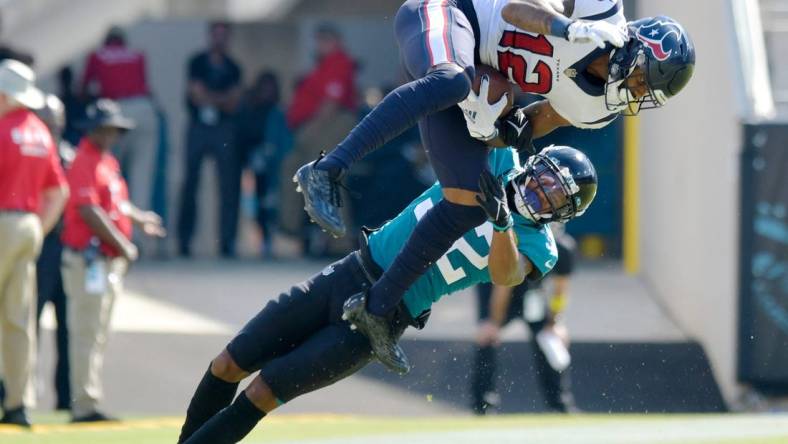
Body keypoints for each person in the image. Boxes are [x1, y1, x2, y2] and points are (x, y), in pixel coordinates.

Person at [295, 0, 696, 375]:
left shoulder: (597, 109)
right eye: (643, 80)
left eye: (646, 93)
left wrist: (492, 127)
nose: (636, 92)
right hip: (450, 14)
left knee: (468, 202)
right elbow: (513, 9)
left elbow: (521, 128)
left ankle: (378, 308)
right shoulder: (601, 12)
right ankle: (327, 169)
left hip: (475, 75)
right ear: (636, 49)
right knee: (450, 79)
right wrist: (566, 28)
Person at [177, 146, 597, 444]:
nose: (541, 193)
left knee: (263, 392)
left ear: (562, 212)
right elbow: (475, 121)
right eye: (545, 181)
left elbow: (505, 276)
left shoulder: (540, 245)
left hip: (385, 313)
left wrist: (503, 225)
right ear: (534, 167)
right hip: (350, 272)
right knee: (228, 362)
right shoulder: (502, 161)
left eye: (555, 197)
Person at [60, 99, 166, 422]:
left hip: (105, 262)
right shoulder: (85, 161)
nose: (112, 135)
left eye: (115, 130)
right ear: (93, 129)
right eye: (107, 129)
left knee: (98, 333)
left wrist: (139, 219)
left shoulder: (106, 161)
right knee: (86, 333)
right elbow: (88, 209)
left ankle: (89, 399)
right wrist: (123, 244)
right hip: (88, 259)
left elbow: (115, 204)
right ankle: (84, 405)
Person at [0, 60, 69, 427]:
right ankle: (17, 403)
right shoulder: (41, 133)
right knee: (18, 318)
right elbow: (59, 191)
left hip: (2, 221)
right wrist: (37, 228)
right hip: (28, 226)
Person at [471, 222, 577, 414]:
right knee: (487, 337)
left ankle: (560, 404)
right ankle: (483, 404)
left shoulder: (563, 248)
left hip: (532, 294)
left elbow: (561, 290)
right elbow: (504, 285)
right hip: (498, 286)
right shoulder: (523, 242)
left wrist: (555, 322)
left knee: (551, 340)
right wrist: (494, 322)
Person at [279, 23, 358, 254]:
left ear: (336, 41)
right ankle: (290, 232)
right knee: (292, 171)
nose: (320, 45)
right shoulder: (321, 66)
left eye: (325, 40)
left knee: (328, 177)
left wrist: (309, 132)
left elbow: (331, 104)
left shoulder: (339, 62)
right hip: (312, 128)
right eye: (319, 40)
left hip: (327, 125)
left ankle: (339, 241)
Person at [81, 26, 159, 224]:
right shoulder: (137, 54)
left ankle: (113, 230)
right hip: (144, 109)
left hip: (116, 112)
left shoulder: (97, 55)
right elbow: (144, 85)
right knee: (142, 176)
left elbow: (83, 89)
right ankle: (143, 237)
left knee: (110, 175)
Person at [177, 21, 243, 258]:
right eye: (216, 35)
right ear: (209, 37)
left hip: (223, 128)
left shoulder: (234, 67)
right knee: (190, 184)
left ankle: (227, 242)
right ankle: (184, 240)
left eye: (224, 35)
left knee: (228, 185)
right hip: (199, 127)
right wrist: (220, 99)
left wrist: (209, 98)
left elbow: (234, 101)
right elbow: (195, 94)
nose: (220, 40)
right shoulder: (197, 62)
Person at [34, 94, 76, 412]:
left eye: (55, 119)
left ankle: (66, 395)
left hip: (68, 248)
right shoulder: (33, 154)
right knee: (28, 321)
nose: (52, 125)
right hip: (40, 248)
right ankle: (21, 392)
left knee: (68, 327)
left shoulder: (70, 156)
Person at [236, 71, 293, 257]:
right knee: (258, 203)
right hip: (256, 165)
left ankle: (271, 238)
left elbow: (283, 141)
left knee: (273, 203)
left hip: (275, 168)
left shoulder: (277, 113)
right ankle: (263, 239)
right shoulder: (251, 111)